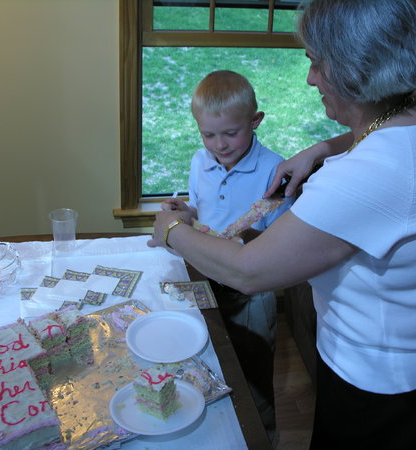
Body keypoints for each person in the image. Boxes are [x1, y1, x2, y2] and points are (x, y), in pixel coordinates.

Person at [149, 1, 416, 448]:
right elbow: (381, 126)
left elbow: (247, 271)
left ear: (357, 69)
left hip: (382, 378)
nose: (310, 78)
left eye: (317, 63)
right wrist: (321, 148)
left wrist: (171, 230)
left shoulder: (365, 178)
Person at [160, 70, 293, 440]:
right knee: (208, 352)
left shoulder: (275, 171)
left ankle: (262, 435)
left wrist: (244, 239)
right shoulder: (199, 162)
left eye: (231, 133)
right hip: (204, 274)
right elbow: (202, 211)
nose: (219, 145)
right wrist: (186, 214)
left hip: (252, 289)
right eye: (208, 134)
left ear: (255, 121)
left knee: (253, 365)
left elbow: (283, 241)